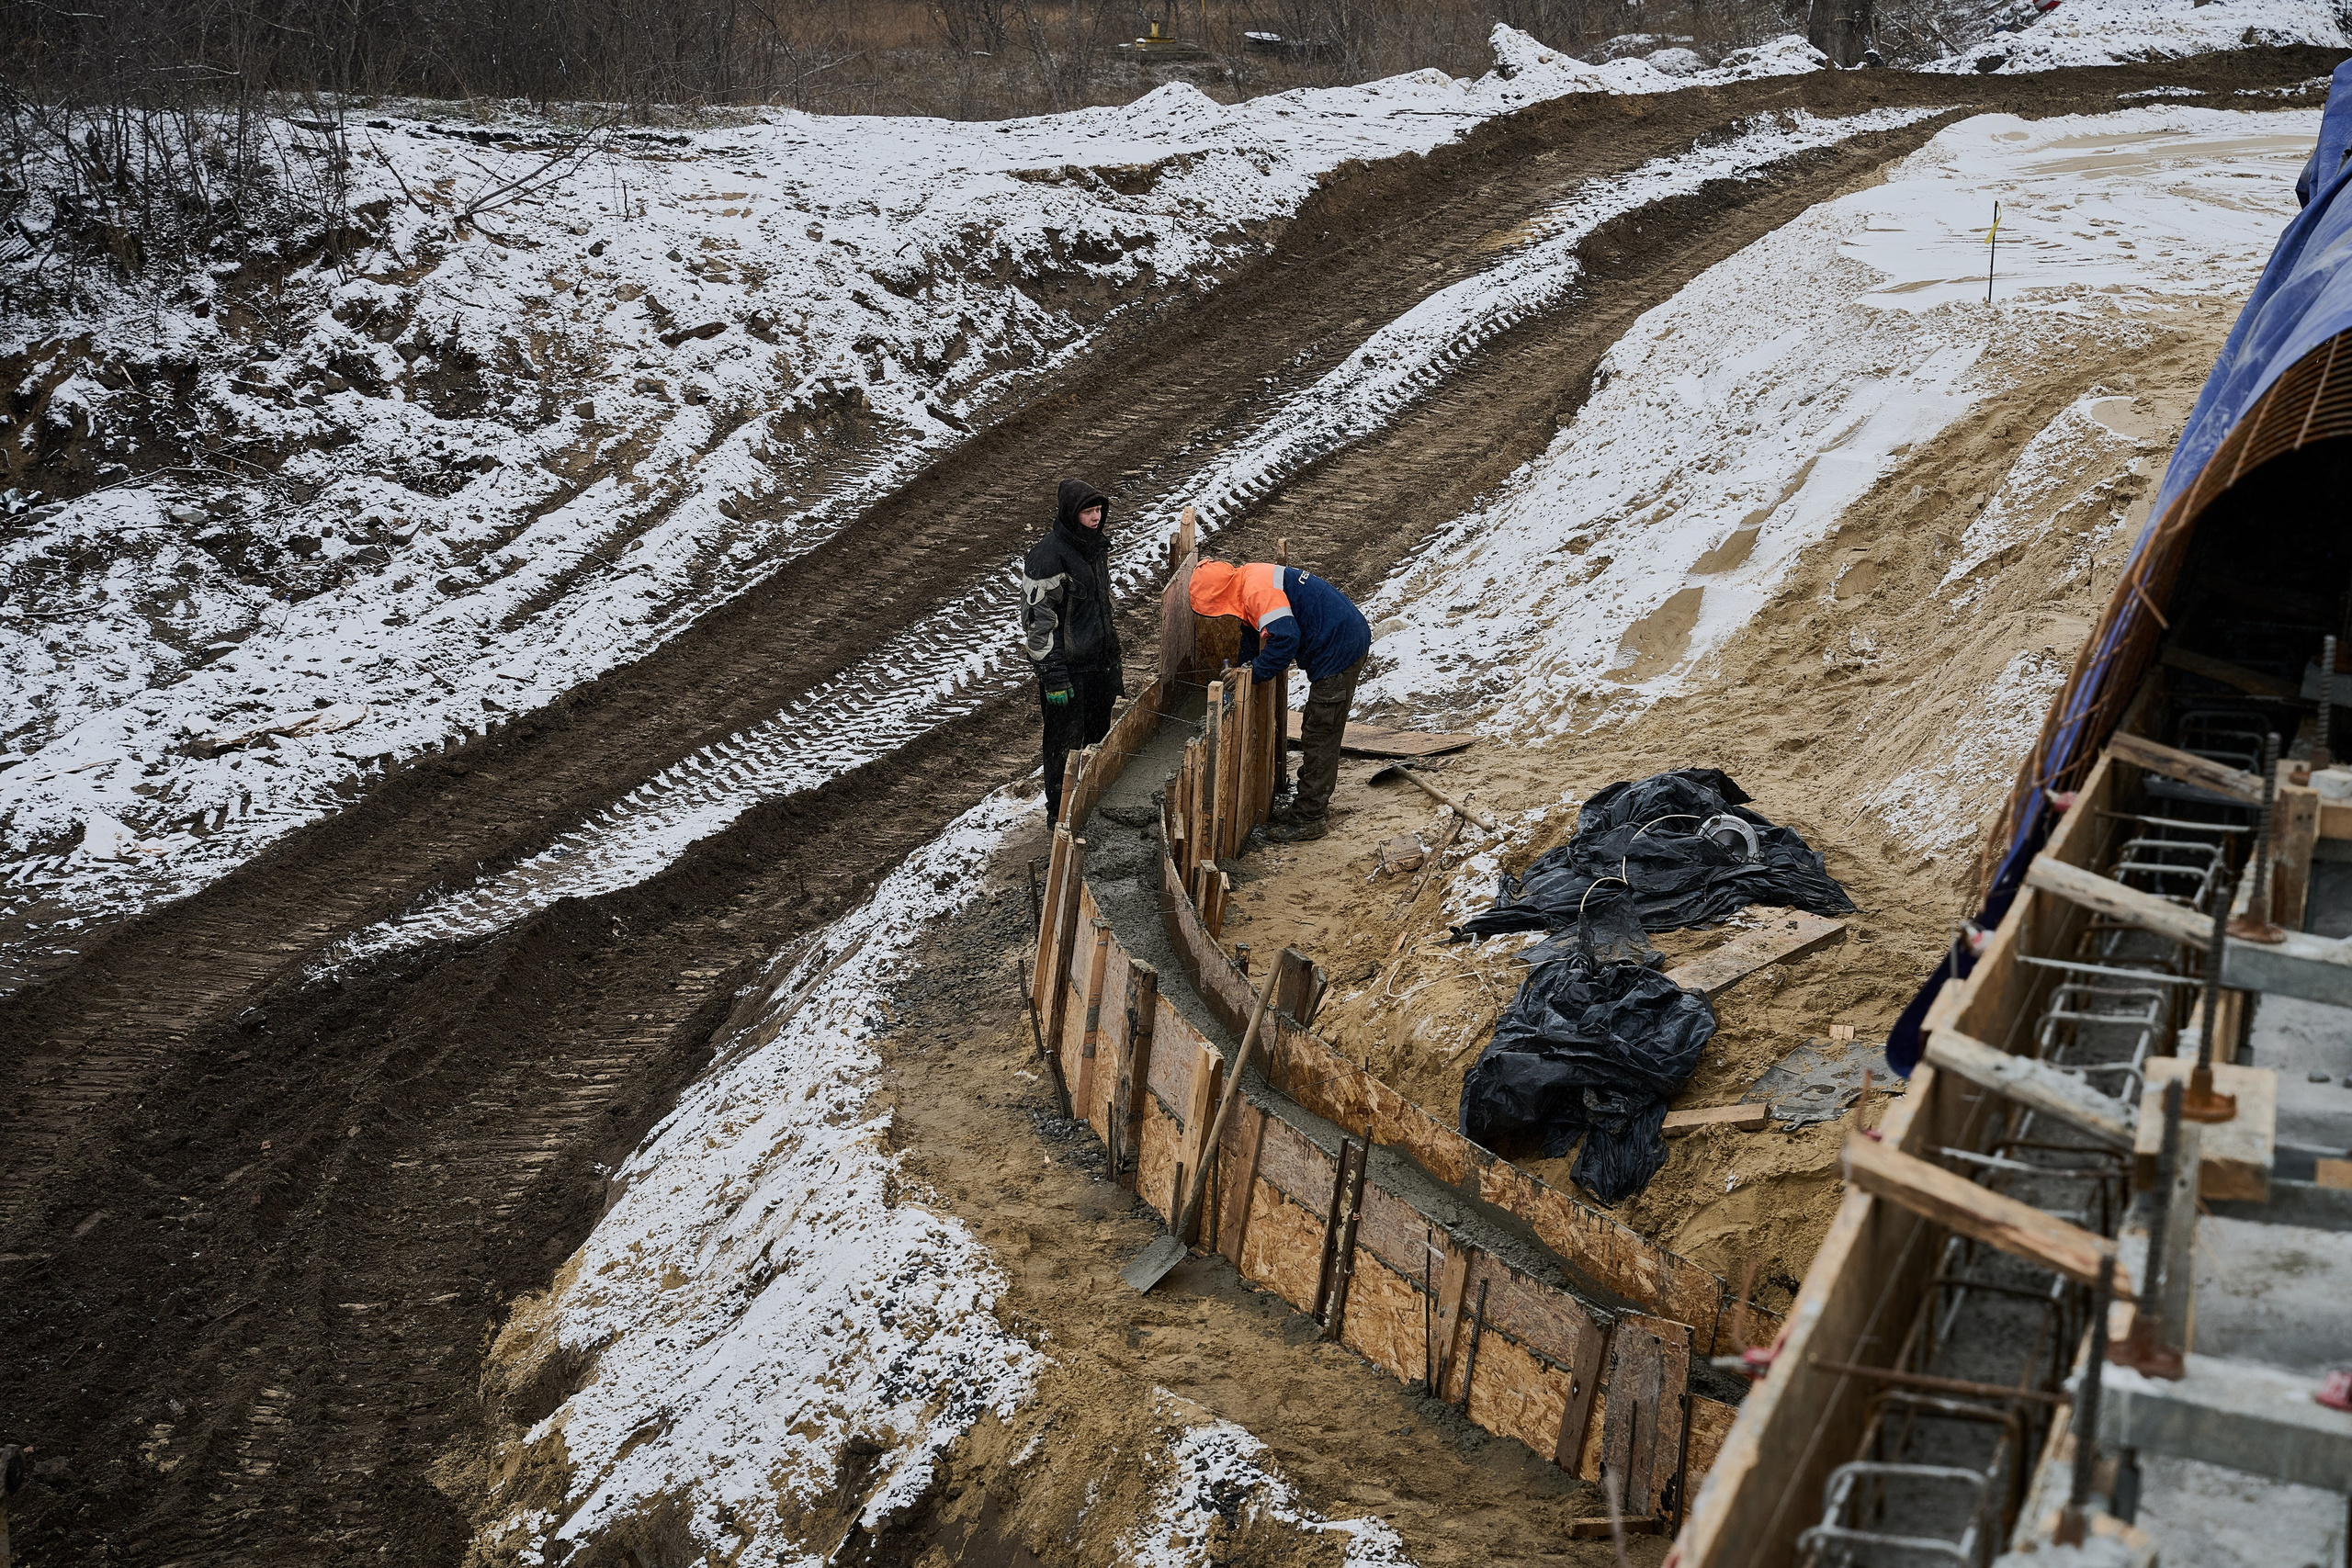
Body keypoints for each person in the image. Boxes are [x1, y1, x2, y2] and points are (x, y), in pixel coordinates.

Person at [1188, 559, 1370, 842]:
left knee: (1320, 732)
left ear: (1217, 595)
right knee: (1317, 729)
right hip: (1337, 636)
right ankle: (1307, 806)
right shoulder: (1246, 580)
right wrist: (1242, 669)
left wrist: (1254, 672)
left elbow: (1286, 639)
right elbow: (1253, 634)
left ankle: (1309, 818)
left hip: (1340, 647)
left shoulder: (1256, 592)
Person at [1021, 478, 1123, 826]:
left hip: (1101, 664)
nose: (1096, 518)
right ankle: (1058, 815)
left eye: (1098, 511)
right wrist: (1053, 676)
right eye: (1088, 512)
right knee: (1064, 746)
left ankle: (1092, 807)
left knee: (1101, 739)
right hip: (1068, 672)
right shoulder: (1047, 557)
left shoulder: (1095, 547)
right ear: (1070, 514)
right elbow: (1038, 625)